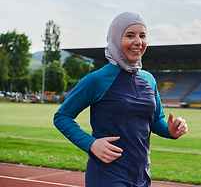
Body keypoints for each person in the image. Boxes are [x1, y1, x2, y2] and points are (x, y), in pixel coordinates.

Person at [54, 12, 188, 187]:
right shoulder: (96, 80)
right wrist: (91, 143)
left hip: (141, 176)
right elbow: (62, 116)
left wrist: (170, 130)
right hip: (108, 175)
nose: (138, 42)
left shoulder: (149, 80)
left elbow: (155, 121)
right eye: (130, 35)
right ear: (116, 39)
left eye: (142, 35)